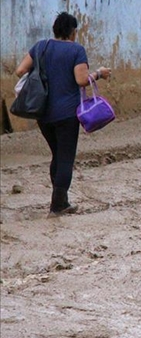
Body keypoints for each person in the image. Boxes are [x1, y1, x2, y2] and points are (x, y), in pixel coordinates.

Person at [13, 12, 112, 217]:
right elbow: (81, 80)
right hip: (67, 114)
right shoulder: (76, 50)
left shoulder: (41, 46)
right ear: (73, 32)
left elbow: (19, 71)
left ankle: (61, 200)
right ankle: (57, 206)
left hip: (43, 113)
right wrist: (99, 73)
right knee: (65, 158)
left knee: (57, 155)